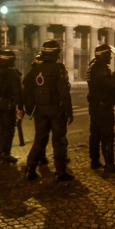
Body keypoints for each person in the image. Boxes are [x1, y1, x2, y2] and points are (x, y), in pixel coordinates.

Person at [23, 40, 74, 182]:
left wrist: (31, 109)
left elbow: (26, 91)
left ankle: (30, 169)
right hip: (56, 110)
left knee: (39, 140)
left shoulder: (34, 70)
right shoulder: (58, 69)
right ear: (56, 53)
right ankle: (60, 172)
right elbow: (64, 92)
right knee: (59, 141)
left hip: (40, 111)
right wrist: (69, 111)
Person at [86, 44, 115, 173]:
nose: (110, 58)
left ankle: (95, 161)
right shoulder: (103, 69)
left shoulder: (92, 67)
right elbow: (111, 85)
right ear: (104, 56)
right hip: (104, 107)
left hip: (94, 107)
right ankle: (109, 163)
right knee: (107, 136)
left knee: (95, 135)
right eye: (109, 55)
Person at [0, 49, 24, 163]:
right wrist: (20, 108)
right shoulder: (13, 73)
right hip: (7, 105)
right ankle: (5, 152)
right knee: (7, 129)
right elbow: (18, 92)